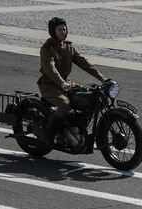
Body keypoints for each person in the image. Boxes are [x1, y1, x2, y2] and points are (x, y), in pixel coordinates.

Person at [37, 17, 108, 147]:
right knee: (65, 104)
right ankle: (49, 133)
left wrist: (102, 78)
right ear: (52, 31)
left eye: (64, 29)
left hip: (66, 83)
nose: (63, 32)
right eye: (59, 29)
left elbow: (84, 62)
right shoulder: (47, 48)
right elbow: (50, 68)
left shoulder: (69, 46)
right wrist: (61, 83)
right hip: (49, 84)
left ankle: (75, 127)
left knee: (88, 97)